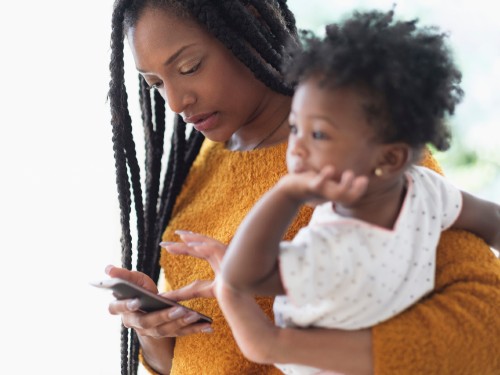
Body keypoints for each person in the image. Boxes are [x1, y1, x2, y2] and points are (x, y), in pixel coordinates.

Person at [104, 1, 500, 374]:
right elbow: (206, 352)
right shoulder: (201, 161)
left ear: (248, 28)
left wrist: (280, 345)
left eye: (189, 67)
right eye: (155, 83)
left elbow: (484, 326)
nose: (175, 102)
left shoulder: (360, 152)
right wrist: (153, 335)